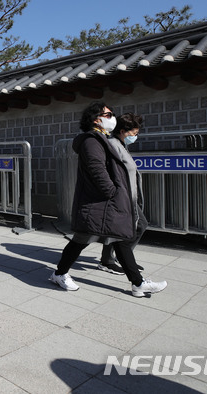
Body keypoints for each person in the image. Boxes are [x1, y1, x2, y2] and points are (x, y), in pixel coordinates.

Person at [49, 102, 167, 297]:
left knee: (119, 238)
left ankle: (137, 283)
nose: (113, 117)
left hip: (107, 201)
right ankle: (59, 273)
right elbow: (97, 170)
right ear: (97, 119)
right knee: (80, 240)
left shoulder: (101, 138)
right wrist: (113, 192)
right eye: (109, 114)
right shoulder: (91, 141)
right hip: (99, 201)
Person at [98, 113, 146, 274]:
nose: (136, 136)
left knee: (123, 229)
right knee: (136, 226)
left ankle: (116, 258)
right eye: (134, 133)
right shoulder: (113, 144)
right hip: (121, 196)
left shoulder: (120, 144)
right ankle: (119, 258)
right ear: (123, 131)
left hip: (128, 195)